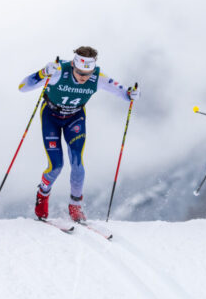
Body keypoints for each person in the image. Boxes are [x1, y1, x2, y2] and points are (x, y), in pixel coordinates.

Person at [18, 46, 140, 222]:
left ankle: (75, 206)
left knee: (77, 164)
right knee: (56, 166)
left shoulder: (98, 77)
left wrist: (132, 94)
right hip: (51, 116)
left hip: (74, 118)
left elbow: (125, 94)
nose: (83, 77)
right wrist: (43, 72)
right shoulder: (59, 71)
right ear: (73, 66)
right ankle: (42, 195)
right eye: (80, 72)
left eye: (87, 73)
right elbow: (22, 87)